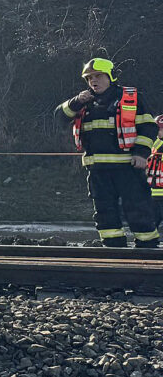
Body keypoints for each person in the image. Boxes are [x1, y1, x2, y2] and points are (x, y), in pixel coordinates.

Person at [56, 58, 159, 248]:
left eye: (98, 76)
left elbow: (149, 127)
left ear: (110, 76)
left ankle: (148, 250)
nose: (93, 81)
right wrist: (76, 101)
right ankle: (113, 249)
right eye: (89, 78)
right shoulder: (83, 102)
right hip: (98, 170)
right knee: (104, 212)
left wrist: (141, 153)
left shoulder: (130, 97)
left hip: (128, 168)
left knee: (137, 209)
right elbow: (59, 117)